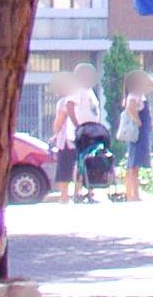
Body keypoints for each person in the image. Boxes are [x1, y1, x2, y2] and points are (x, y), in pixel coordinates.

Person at [49, 63, 102, 203]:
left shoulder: (89, 91)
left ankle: (80, 193)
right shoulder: (75, 91)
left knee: (84, 164)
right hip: (71, 138)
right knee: (66, 166)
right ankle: (65, 196)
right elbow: (64, 115)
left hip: (88, 135)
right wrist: (77, 126)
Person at [116, 70, 153, 202]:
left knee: (134, 164)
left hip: (141, 131)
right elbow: (130, 107)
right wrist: (138, 120)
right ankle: (133, 194)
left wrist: (142, 74)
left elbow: (152, 83)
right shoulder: (133, 95)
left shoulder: (140, 94)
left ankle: (132, 194)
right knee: (133, 164)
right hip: (137, 132)